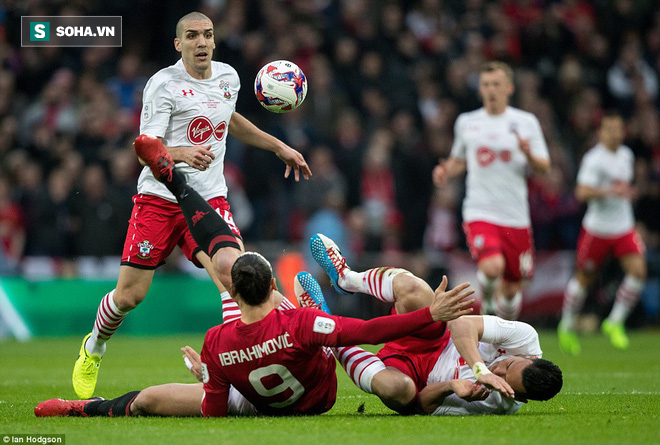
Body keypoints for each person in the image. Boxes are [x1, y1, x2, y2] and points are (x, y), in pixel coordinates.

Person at [72, 11, 312, 400]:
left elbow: (229, 119)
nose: (201, 42)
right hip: (160, 198)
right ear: (178, 44)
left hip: (208, 199)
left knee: (235, 276)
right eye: (192, 36)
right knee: (129, 296)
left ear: (215, 41)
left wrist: (279, 147)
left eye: (208, 35)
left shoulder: (229, 78)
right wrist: (181, 152)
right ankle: (94, 346)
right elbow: (143, 148)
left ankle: (247, 363)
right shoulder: (162, 85)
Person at [36, 252, 475, 418]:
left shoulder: (217, 341)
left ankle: (81, 410)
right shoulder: (296, 321)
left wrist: (210, 377)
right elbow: (369, 329)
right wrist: (430, 315)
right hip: (315, 394)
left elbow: (213, 413)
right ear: (272, 287)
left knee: (148, 400)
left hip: (253, 402)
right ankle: (335, 338)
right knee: (345, 339)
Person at [305, 233, 563, 415]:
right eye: (508, 365)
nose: (499, 371)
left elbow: (421, 405)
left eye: (505, 381)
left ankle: (328, 334)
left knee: (398, 390)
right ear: (528, 357)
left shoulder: (496, 404)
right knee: (415, 288)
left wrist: (449, 387)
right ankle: (347, 279)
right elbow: (462, 325)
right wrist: (480, 369)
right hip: (434, 336)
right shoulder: (526, 339)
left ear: (518, 398)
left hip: (412, 373)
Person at [432, 61, 551, 320]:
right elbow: (459, 159)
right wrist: (445, 170)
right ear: (480, 90)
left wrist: (529, 153)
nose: (491, 89)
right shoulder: (468, 122)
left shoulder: (525, 122)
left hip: (515, 216)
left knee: (510, 289)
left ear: (509, 88)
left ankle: (505, 333)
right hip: (480, 210)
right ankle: (486, 303)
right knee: (492, 265)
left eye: (496, 84)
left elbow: (544, 166)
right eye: (486, 85)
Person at [557, 111, 646, 354]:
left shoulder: (626, 155)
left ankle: (614, 321)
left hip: (623, 227)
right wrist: (609, 192)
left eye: (619, 129)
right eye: (610, 129)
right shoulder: (594, 159)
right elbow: (581, 192)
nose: (615, 133)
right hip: (597, 229)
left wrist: (628, 193)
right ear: (601, 132)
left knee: (638, 272)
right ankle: (566, 325)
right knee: (584, 279)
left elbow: (623, 188)